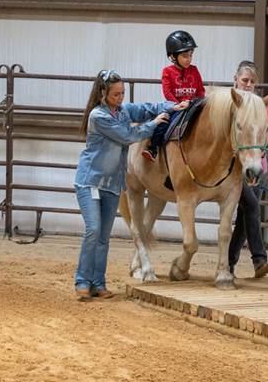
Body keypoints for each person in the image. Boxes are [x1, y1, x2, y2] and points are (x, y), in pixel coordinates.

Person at [73, 69, 188, 301]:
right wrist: (154, 124)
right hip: (90, 181)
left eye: (123, 93)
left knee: (104, 236)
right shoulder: (99, 116)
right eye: (116, 94)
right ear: (103, 93)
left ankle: (98, 282)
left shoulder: (123, 110)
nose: (121, 98)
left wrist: (170, 106)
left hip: (112, 183)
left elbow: (146, 108)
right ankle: (82, 280)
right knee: (93, 230)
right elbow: (127, 135)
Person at [228, 61, 268, 278]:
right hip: (235, 168)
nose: (248, 85)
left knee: (246, 214)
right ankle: (259, 258)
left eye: (252, 82)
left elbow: (266, 130)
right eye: (245, 80)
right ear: (236, 79)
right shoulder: (231, 104)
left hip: (257, 163)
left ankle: (230, 262)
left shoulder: (257, 105)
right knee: (252, 207)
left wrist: (262, 149)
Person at [142, 30, 205, 161]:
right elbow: (167, 91)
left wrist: (193, 102)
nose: (189, 59)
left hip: (193, 105)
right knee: (163, 121)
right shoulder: (167, 72)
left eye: (190, 55)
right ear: (173, 56)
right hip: (175, 106)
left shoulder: (194, 70)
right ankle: (153, 148)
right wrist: (177, 104)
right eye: (185, 56)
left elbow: (200, 90)